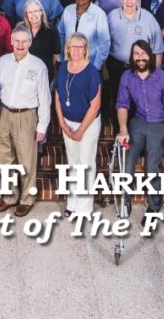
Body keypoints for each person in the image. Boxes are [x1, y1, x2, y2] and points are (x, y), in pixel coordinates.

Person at [116, 40, 164, 221]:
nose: (140, 57)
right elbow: (122, 104)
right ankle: (125, 201)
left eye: (144, 54)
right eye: (136, 54)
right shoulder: (127, 77)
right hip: (138, 122)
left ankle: (154, 207)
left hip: (159, 124)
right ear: (132, 57)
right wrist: (123, 130)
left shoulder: (162, 77)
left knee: (152, 167)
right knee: (127, 163)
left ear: (150, 56)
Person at [0, 25, 52, 217]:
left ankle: (27, 198)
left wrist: (42, 126)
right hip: (4, 112)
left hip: (27, 115)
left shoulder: (38, 66)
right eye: (16, 40)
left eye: (24, 41)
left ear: (30, 43)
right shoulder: (2, 62)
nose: (20, 44)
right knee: (5, 158)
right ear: (11, 41)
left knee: (26, 159)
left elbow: (45, 98)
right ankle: (9, 197)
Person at [54, 33, 102, 217]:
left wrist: (81, 130)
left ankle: (84, 208)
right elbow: (58, 95)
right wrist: (62, 122)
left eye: (79, 47)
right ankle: (72, 203)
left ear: (85, 49)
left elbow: (95, 104)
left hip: (87, 124)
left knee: (85, 163)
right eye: (72, 47)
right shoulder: (64, 67)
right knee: (73, 163)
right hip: (68, 121)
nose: (75, 50)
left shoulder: (91, 71)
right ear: (68, 49)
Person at [106, 0, 164, 123]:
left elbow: (158, 47)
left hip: (141, 67)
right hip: (117, 67)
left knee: (138, 101)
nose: (129, 2)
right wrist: (104, 67)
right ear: (121, 0)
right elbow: (104, 44)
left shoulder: (147, 18)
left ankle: (136, 138)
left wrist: (156, 72)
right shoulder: (112, 17)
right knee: (118, 101)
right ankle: (120, 137)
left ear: (138, 0)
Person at [57, 0, 111, 71]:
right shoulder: (68, 10)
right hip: (68, 63)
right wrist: (61, 58)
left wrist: (96, 66)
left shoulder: (99, 14)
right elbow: (61, 34)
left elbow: (104, 43)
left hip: (89, 65)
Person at [22, 0, 61, 83]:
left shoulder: (51, 30)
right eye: (30, 12)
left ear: (41, 12)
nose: (33, 15)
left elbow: (56, 54)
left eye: (36, 11)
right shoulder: (21, 29)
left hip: (45, 73)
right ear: (26, 15)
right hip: (24, 73)